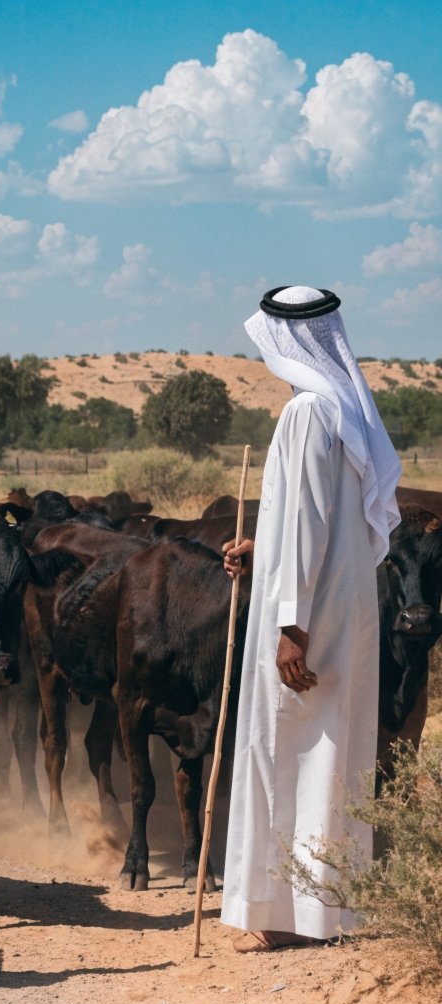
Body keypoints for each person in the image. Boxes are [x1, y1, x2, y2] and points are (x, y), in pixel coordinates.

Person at [219, 285, 402, 952]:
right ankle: (325, 909)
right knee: (332, 749)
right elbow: (322, 524)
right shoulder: (345, 411)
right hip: (344, 602)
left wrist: (289, 624)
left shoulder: (307, 415)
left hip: (309, 610)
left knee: (282, 744)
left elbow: (306, 525)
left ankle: (278, 914)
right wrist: (260, 553)